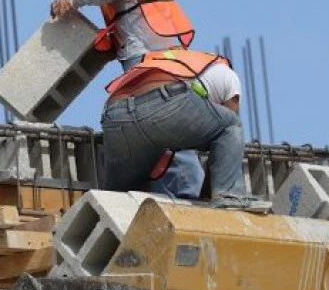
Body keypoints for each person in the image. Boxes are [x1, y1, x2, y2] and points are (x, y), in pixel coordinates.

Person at [49, 0, 204, 199]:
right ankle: (175, 190)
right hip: (154, 42)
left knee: (159, 117)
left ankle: (184, 194)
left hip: (146, 47)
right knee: (157, 119)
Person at [101, 48, 270, 210]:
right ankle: (230, 196)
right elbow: (224, 149)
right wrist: (207, 199)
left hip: (115, 114)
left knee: (121, 199)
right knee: (231, 125)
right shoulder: (228, 75)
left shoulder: (176, 62)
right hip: (164, 101)